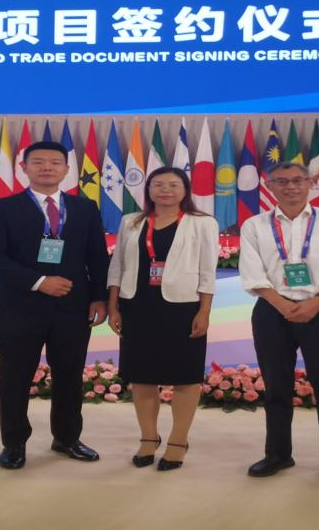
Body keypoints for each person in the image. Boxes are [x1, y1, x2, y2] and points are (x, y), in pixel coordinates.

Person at [0, 140, 110, 470]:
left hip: (73, 307)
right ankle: (14, 443)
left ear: (66, 169)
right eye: (38, 162)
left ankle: (67, 438)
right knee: (15, 377)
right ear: (24, 168)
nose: (47, 167)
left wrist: (99, 297)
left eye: (54, 162)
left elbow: (97, 256)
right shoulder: (2, 208)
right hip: (21, 307)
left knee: (69, 376)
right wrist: (38, 281)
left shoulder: (85, 208)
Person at [239, 162, 319, 484]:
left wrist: (317, 301)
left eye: (297, 180)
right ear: (269, 186)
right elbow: (252, 272)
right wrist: (282, 304)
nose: (290, 187)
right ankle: (277, 453)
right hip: (272, 310)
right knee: (276, 387)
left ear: (310, 183)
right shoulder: (254, 225)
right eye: (281, 181)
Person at [106, 166, 218, 471]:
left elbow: (207, 271)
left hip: (183, 308)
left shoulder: (202, 223)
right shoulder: (131, 221)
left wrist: (204, 311)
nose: (165, 190)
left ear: (185, 190)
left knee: (185, 376)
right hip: (137, 306)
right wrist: (114, 307)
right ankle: (148, 438)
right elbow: (117, 267)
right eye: (158, 184)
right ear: (149, 190)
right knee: (141, 376)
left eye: (173, 184)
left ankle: (178, 441)